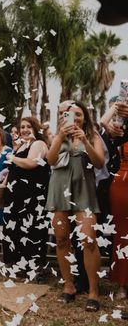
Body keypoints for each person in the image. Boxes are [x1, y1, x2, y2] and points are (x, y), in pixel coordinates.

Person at [46, 100, 106, 312]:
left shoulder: (92, 135)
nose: (74, 118)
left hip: (83, 191)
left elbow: (99, 163)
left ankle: (93, 292)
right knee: (62, 239)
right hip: (59, 190)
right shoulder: (58, 135)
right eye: (70, 114)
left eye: (79, 114)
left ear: (85, 117)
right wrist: (61, 137)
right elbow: (51, 160)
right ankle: (68, 286)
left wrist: (85, 142)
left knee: (88, 239)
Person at [2, 116, 50, 281]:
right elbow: (13, 170)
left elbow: (31, 163)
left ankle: (37, 268)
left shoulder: (39, 144)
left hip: (32, 196)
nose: (24, 130)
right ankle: (21, 266)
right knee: (17, 229)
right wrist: (3, 184)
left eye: (28, 126)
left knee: (33, 229)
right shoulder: (23, 145)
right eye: (22, 127)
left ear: (36, 128)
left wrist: (11, 157)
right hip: (16, 196)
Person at [102, 99, 128, 298]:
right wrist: (117, 106)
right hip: (122, 182)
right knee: (121, 234)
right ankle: (121, 283)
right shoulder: (122, 127)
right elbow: (103, 121)